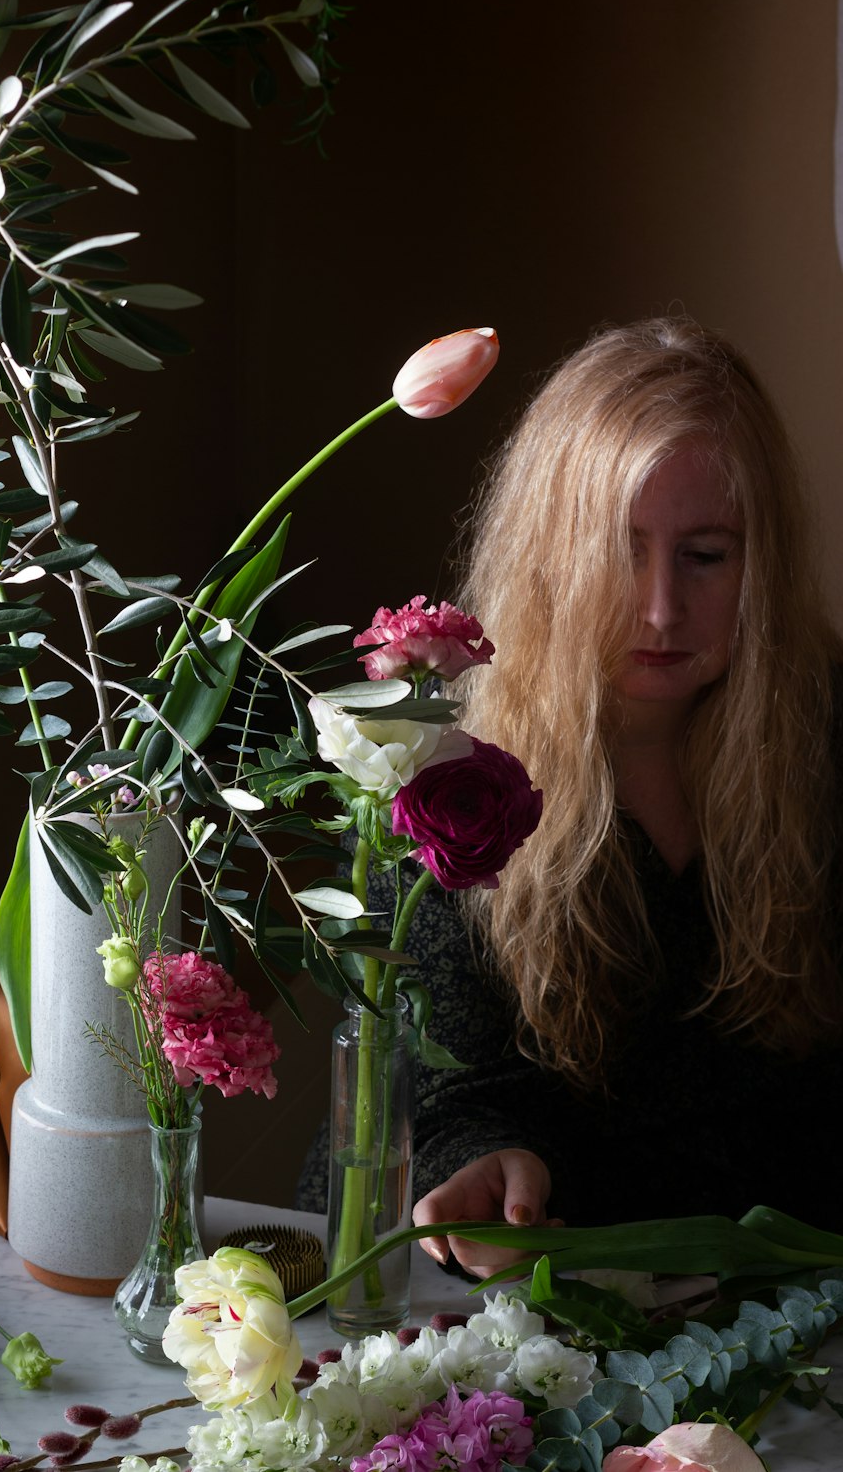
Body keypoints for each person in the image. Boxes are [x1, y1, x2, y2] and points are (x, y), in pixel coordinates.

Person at [298, 317, 843, 1276]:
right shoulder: (439, 766)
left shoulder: (825, 736)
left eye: (706, 556)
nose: (663, 607)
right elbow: (435, 1093)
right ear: (549, 556)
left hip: (778, 1306)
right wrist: (481, 1165)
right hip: (515, 1308)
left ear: (765, 562)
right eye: (622, 552)